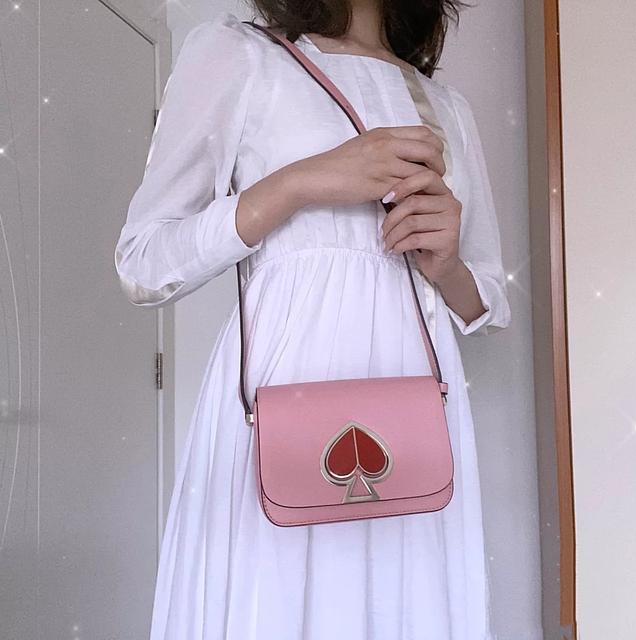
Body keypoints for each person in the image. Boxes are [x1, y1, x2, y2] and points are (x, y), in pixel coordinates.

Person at [114, 1, 511, 638]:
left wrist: (446, 264)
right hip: (283, 396)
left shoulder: (445, 106)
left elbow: (485, 305)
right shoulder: (238, 55)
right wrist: (298, 183)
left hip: (414, 408)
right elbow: (144, 264)